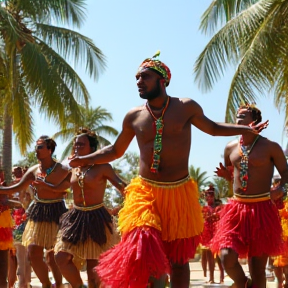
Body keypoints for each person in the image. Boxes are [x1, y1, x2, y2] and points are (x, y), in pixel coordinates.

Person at [69, 52, 268, 288]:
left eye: (145, 77)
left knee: (178, 262)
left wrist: (246, 129)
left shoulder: (185, 107)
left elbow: (213, 128)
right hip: (145, 192)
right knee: (144, 247)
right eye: (137, 78)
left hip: (179, 193)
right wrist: (84, 159)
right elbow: (115, 150)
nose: (139, 82)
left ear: (162, 80)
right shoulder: (134, 116)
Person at [33, 128, 127, 288]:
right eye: (75, 145)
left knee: (93, 273)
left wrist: (133, 201)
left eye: (81, 145)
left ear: (92, 148)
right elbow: (56, 185)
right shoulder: (71, 168)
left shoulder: (103, 167)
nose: (76, 147)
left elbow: (122, 187)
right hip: (76, 218)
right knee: (61, 258)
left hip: (98, 218)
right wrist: (43, 184)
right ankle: (78, 286)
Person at [213, 104, 288, 288]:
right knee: (226, 257)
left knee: (258, 269)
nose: (238, 117)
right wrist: (227, 177)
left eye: (243, 115)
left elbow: (286, 172)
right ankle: (242, 283)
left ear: (254, 120)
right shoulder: (230, 148)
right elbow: (234, 179)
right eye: (237, 115)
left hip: (262, 210)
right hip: (236, 210)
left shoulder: (270, 146)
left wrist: (281, 188)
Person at [0, 136, 71, 288]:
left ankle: (58, 284)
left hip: (57, 212)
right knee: (33, 252)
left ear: (50, 150)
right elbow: (16, 188)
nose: (36, 150)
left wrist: (48, 187)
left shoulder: (62, 170)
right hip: (38, 212)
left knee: (53, 256)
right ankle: (46, 284)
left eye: (40, 147)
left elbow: (69, 186)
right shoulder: (33, 170)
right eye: (36, 147)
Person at [200, 185, 224, 284]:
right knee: (208, 256)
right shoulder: (204, 208)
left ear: (215, 196)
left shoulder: (219, 207)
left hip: (216, 234)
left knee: (218, 257)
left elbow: (221, 218)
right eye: (206, 194)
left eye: (210, 194)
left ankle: (221, 276)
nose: (208, 196)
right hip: (206, 234)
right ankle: (211, 277)